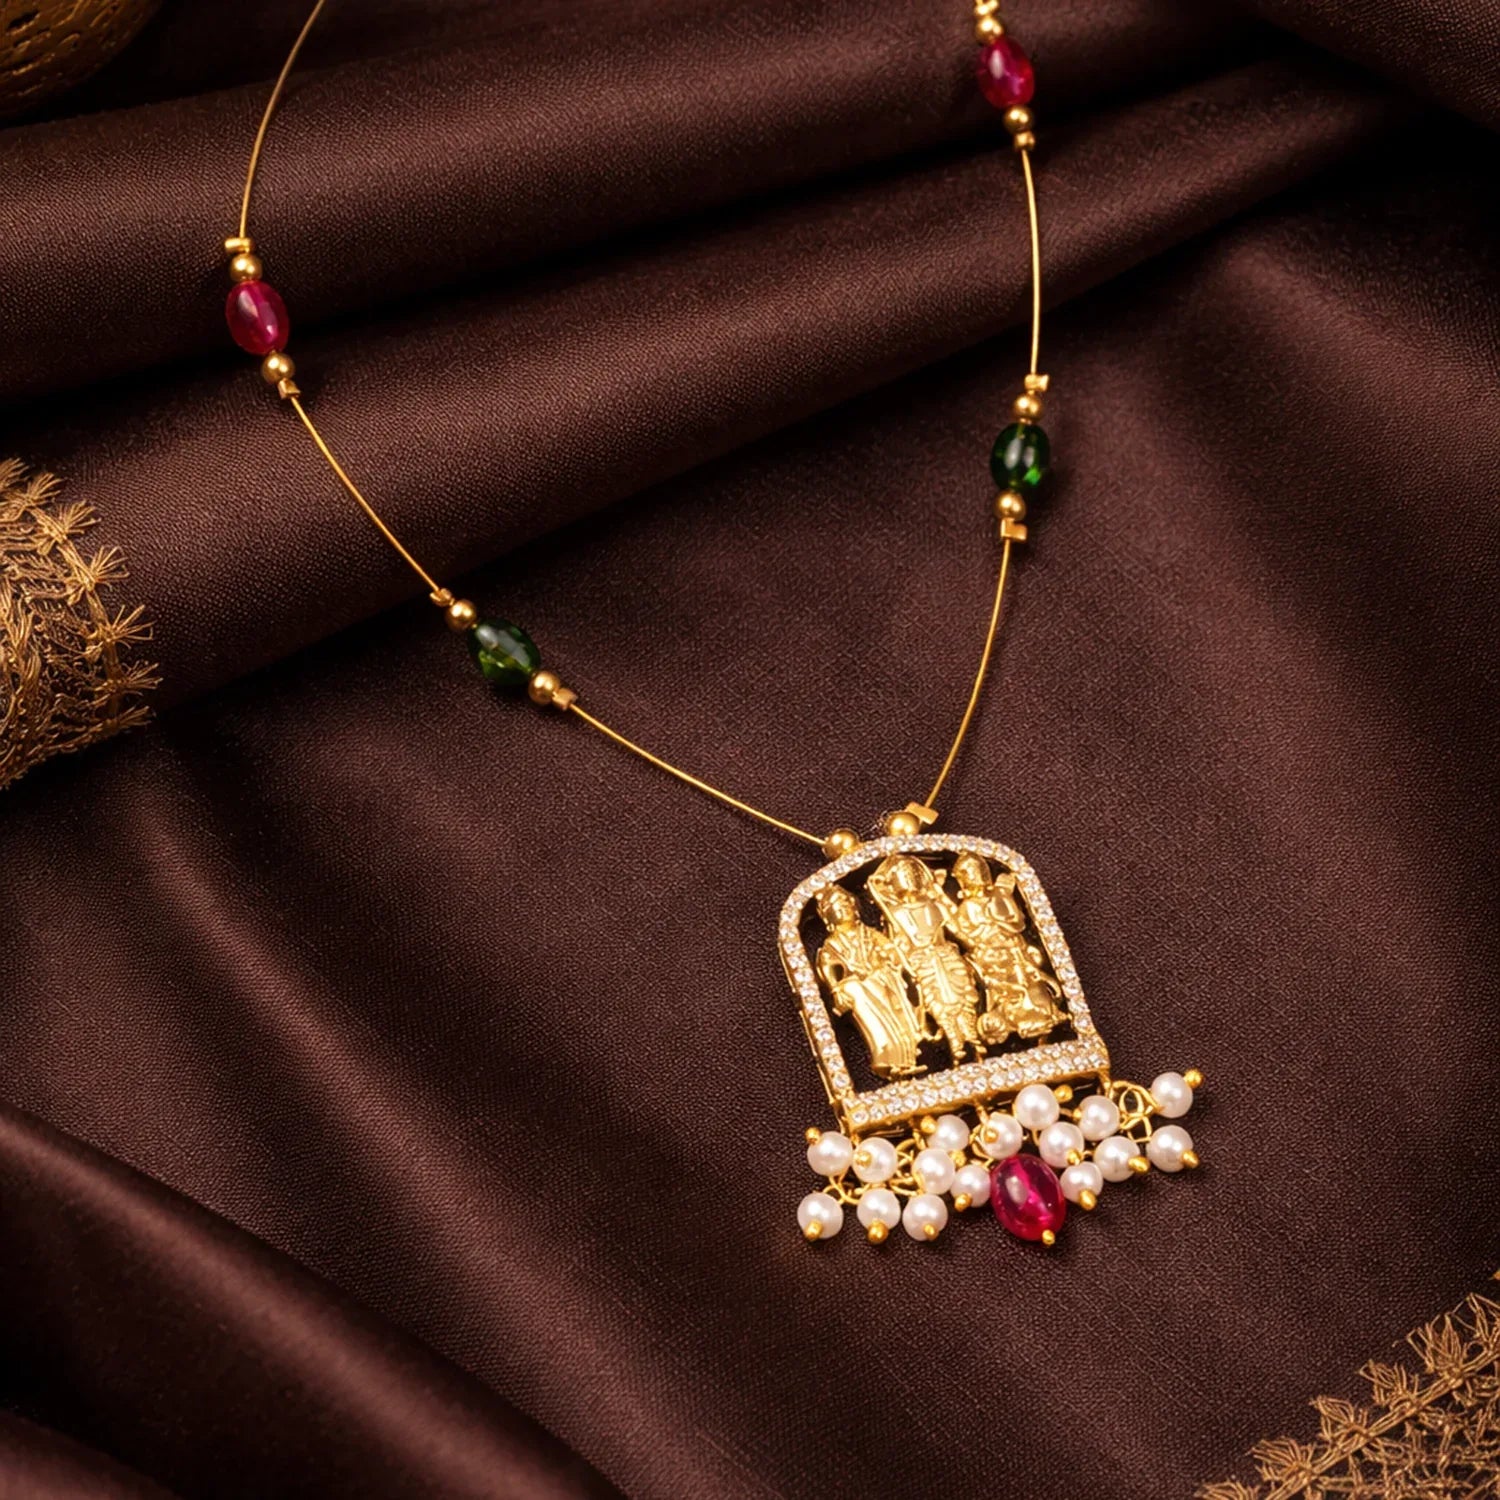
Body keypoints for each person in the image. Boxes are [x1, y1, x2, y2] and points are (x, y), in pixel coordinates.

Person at [866, 855, 984, 1064]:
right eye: (904, 875)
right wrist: (905, 961)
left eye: (914, 874)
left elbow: (955, 928)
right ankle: (954, 1040)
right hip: (921, 960)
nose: (910, 878)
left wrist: (970, 939)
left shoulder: (935, 905)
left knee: (964, 993)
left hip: (946, 953)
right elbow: (899, 943)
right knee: (936, 998)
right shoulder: (896, 913)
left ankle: (971, 1034)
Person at [950, 853, 1065, 1041]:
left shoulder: (998, 896)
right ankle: (1018, 1021)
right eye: (967, 875)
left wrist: (1001, 897)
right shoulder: (968, 907)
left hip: (1014, 951)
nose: (972, 879)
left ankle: (1043, 1016)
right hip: (991, 958)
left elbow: (1017, 922)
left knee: (1029, 984)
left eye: (975, 873)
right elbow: (968, 934)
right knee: (1009, 992)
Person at [814, 887, 925, 1078]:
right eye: (837, 906)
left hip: (883, 981)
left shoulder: (870, 934)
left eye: (847, 904)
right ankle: (888, 1060)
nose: (844, 909)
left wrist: (890, 956)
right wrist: (835, 988)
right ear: (828, 917)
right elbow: (828, 966)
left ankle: (907, 1060)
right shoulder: (832, 944)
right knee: (854, 991)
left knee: (897, 1013)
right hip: (860, 988)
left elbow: (891, 951)